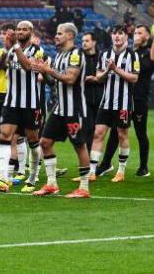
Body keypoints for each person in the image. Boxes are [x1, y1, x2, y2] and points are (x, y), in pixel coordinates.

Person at [31, 23, 92, 198]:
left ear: (70, 36)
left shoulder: (76, 55)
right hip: (59, 109)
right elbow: (55, 81)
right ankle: (51, 184)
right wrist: (42, 71)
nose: (56, 36)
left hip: (74, 109)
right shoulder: (58, 55)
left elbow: (71, 79)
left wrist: (48, 69)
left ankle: (84, 187)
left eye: (59, 33)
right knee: (45, 142)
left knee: (79, 145)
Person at [0, 21, 46, 193]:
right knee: (5, 135)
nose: (20, 31)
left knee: (33, 140)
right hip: (11, 102)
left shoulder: (37, 51)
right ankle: (4, 178)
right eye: (18, 29)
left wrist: (15, 48)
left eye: (24, 29)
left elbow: (28, 67)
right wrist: (5, 51)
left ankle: (33, 177)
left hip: (30, 103)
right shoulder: (10, 49)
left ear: (31, 32)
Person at [100, 24, 154, 177]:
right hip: (121, 97)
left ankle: (144, 167)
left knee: (140, 132)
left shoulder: (147, 53)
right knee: (115, 132)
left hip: (138, 98)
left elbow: (145, 69)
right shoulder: (128, 53)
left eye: (140, 33)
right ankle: (105, 164)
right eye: (135, 32)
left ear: (146, 36)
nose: (136, 35)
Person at [86, 27, 139, 183]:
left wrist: (115, 69)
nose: (117, 36)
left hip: (123, 103)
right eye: (114, 33)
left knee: (122, 134)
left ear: (126, 37)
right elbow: (98, 77)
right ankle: (92, 170)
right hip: (106, 102)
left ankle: (121, 171)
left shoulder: (132, 55)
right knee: (98, 133)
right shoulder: (104, 54)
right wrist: (107, 71)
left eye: (120, 33)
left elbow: (134, 78)